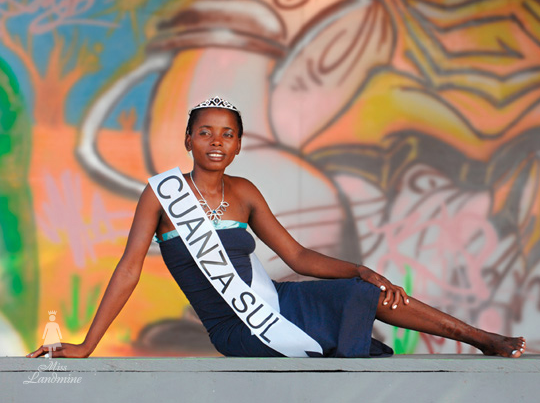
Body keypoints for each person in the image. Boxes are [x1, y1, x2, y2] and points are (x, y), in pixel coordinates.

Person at [27, 97, 526, 359]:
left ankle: (480, 338)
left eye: (227, 134)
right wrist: (87, 343)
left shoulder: (243, 192)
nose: (216, 142)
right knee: (340, 332)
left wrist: (363, 270)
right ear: (188, 139)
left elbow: (299, 258)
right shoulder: (161, 195)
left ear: (239, 144)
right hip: (236, 326)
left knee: (359, 294)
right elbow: (129, 270)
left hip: (276, 304)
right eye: (205, 132)